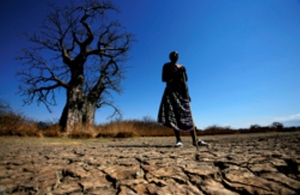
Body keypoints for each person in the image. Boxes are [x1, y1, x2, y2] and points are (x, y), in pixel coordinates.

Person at [158, 51, 208, 147]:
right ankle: (178, 140)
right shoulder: (166, 66)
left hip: (182, 92)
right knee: (175, 116)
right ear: (170, 57)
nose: (174, 56)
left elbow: (184, 81)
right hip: (172, 91)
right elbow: (164, 79)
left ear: (178, 57)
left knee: (188, 116)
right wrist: (177, 73)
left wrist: (187, 94)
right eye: (173, 55)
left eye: (176, 55)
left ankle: (195, 140)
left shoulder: (182, 67)